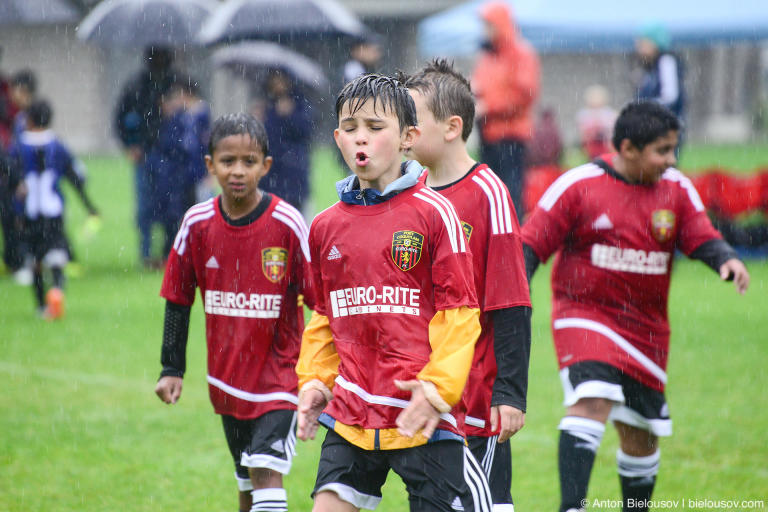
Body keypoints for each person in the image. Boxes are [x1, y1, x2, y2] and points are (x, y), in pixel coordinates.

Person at [520, 101, 750, 512]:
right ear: (628, 148)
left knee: (641, 433)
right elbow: (530, 243)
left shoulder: (676, 188)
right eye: (662, 150)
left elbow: (700, 233)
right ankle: (572, 507)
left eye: (673, 149)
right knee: (591, 398)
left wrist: (725, 258)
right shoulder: (578, 185)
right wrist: (513, 298)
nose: (671, 159)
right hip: (584, 314)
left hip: (646, 328)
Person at [296, 73, 491, 511]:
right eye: (350, 128)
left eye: (374, 127)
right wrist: (314, 382)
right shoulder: (325, 226)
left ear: (408, 137)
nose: (360, 138)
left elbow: (460, 312)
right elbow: (326, 316)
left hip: (420, 411)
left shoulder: (435, 213)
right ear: (337, 139)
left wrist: (437, 388)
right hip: (352, 412)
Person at [155, 113, 314, 512]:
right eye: (228, 161)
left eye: (249, 161)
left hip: (280, 376)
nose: (238, 171)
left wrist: (325, 373)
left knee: (265, 471)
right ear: (210, 166)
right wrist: (171, 367)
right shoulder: (197, 223)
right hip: (226, 378)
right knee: (246, 479)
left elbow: (320, 301)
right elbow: (178, 297)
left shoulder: (287, 224)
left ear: (266, 166)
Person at [403, 59, 531, 511]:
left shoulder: (488, 192)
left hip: (475, 396)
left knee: (484, 503)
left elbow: (512, 301)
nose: (404, 131)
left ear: (452, 126)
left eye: (412, 119)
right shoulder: (410, 193)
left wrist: (511, 392)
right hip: (423, 390)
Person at [9, 100, 99, 318]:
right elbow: (74, 177)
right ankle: (57, 291)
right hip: (54, 211)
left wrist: (15, 210)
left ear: (29, 119)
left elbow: (10, 178)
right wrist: (89, 206)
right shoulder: (57, 146)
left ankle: (42, 306)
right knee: (57, 253)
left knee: (36, 260)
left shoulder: (18, 147)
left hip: (30, 213)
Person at [472, 1, 540, 223]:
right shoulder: (488, 55)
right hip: (488, 133)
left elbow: (524, 94)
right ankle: (493, 236)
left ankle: (512, 239)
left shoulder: (521, 53)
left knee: (510, 191)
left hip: (510, 135)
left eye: (489, 25)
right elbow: (482, 85)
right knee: (489, 190)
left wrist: (488, 106)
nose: (485, 30)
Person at [114, 46, 177, 267]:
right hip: (145, 154)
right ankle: (147, 253)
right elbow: (120, 118)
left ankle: (169, 252)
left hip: (173, 156)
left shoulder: (177, 83)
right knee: (145, 208)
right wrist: (130, 145)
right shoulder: (136, 85)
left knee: (172, 207)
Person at [260, 70, 313, 213]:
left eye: (281, 80)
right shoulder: (266, 105)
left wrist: (290, 116)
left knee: (294, 211)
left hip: (294, 171)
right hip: (271, 171)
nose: (278, 85)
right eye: (274, 81)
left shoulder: (300, 103)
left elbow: (306, 131)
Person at [633, 22, 685, 146]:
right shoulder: (651, 65)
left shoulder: (666, 61)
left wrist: (643, 109)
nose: (639, 47)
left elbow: (670, 96)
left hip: (664, 127)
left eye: (643, 43)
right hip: (653, 126)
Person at [576, 85, 617, 160]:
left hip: (604, 147)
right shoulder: (584, 114)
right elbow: (583, 135)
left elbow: (611, 132)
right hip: (592, 147)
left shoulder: (609, 114)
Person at [10, 69, 37, 141]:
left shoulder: (32, 115)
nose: (23, 96)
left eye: (26, 92)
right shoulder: (5, 111)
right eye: (21, 91)